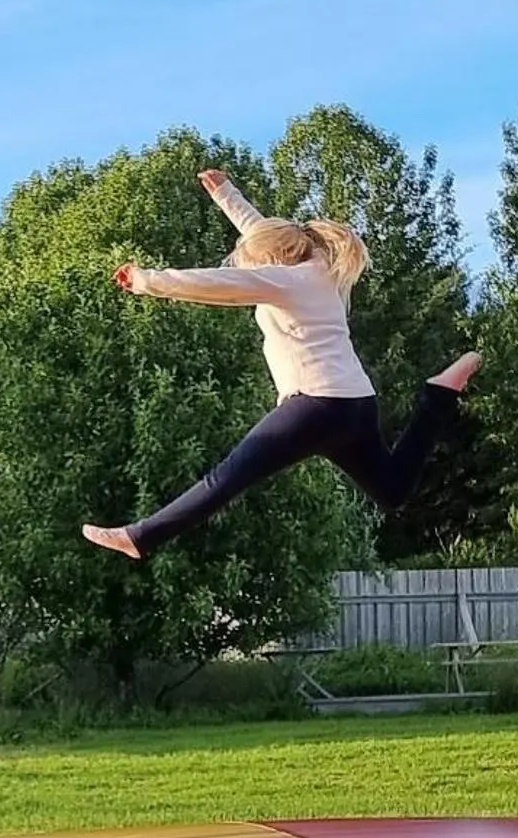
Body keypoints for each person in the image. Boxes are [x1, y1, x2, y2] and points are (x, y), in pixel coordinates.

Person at [83, 169, 481, 561]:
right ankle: (439, 395)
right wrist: (227, 196)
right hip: (356, 404)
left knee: (226, 477)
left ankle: (140, 536)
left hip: (315, 406)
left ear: (274, 259)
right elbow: (266, 234)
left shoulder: (285, 279)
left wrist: (146, 280)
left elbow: (216, 285)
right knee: (392, 489)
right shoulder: (323, 268)